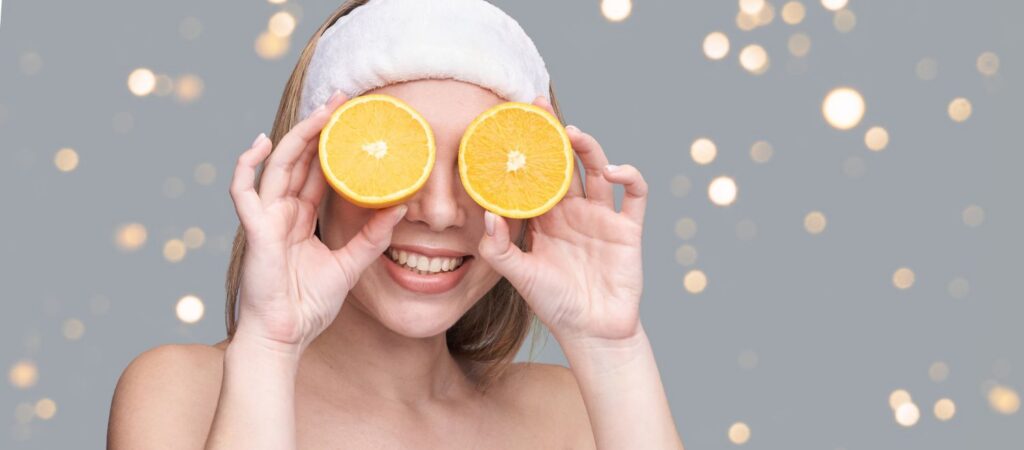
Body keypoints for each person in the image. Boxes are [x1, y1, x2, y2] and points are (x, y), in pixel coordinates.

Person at [107, 0, 684, 448]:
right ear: (315, 176)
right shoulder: (181, 393)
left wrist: (611, 349)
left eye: (474, 167)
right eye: (395, 163)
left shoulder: (568, 412)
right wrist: (270, 346)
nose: (437, 211)